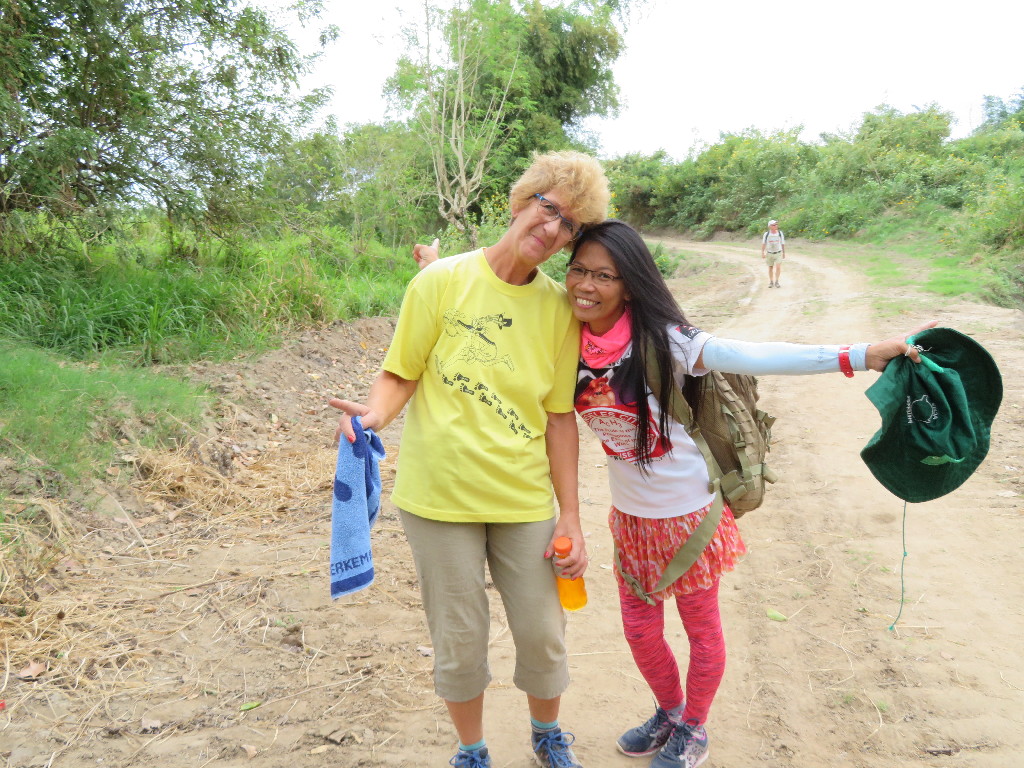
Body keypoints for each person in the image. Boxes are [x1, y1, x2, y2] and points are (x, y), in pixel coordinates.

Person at [412, 222, 931, 768]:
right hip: (631, 520)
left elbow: (755, 354)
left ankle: (695, 728)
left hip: (689, 518)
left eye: (604, 276)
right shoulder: (565, 332)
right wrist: (437, 270)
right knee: (640, 632)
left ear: (630, 285)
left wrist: (860, 355)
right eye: (579, 270)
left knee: (701, 631)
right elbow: (496, 313)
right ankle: (670, 710)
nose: (585, 285)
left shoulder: (669, 341)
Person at [330, 151, 610, 768]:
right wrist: (374, 416)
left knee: (543, 630)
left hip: (522, 498)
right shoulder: (440, 281)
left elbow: (559, 418)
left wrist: (570, 515)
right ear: (522, 201)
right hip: (439, 497)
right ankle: (473, 749)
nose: (552, 228)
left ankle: (546, 734)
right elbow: (400, 373)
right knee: (459, 638)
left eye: (569, 224)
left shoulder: (559, 309)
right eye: (548, 208)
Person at [761, 219, 785, 288]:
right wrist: (762, 252)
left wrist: (784, 252)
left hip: (778, 252)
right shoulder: (766, 234)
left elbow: (782, 243)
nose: (776, 226)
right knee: (770, 267)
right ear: (770, 226)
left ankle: (777, 281)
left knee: (778, 267)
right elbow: (763, 243)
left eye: (776, 224)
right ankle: (771, 281)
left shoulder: (780, 233)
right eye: (774, 225)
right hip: (769, 253)